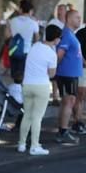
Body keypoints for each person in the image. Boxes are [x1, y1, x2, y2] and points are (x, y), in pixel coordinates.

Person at [18, 25, 60, 155]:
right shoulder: (52, 54)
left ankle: (22, 144)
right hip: (41, 86)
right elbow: (52, 74)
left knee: (27, 115)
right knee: (37, 117)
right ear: (56, 39)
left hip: (27, 84)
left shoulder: (34, 46)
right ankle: (35, 146)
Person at [55, 10, 83, 144]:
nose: (79, 20)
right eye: (77, 18)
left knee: (68, 101)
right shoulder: (66, 34)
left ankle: (62, 129)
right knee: (69, 102)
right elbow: (59, 54)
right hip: (67, 74)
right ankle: (63, 131)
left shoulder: (71, 34)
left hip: (71, 74)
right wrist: (55, 70)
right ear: (69, 19)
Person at [7, 0, 39, 81]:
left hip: (13, 50)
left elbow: (7, 35)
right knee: (25, 75)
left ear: (21, 9)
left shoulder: (13, 21)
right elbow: (37, 39)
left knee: (15, 75)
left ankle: (15, 91)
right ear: (31, 11)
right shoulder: (33, 23)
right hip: (27, 52)